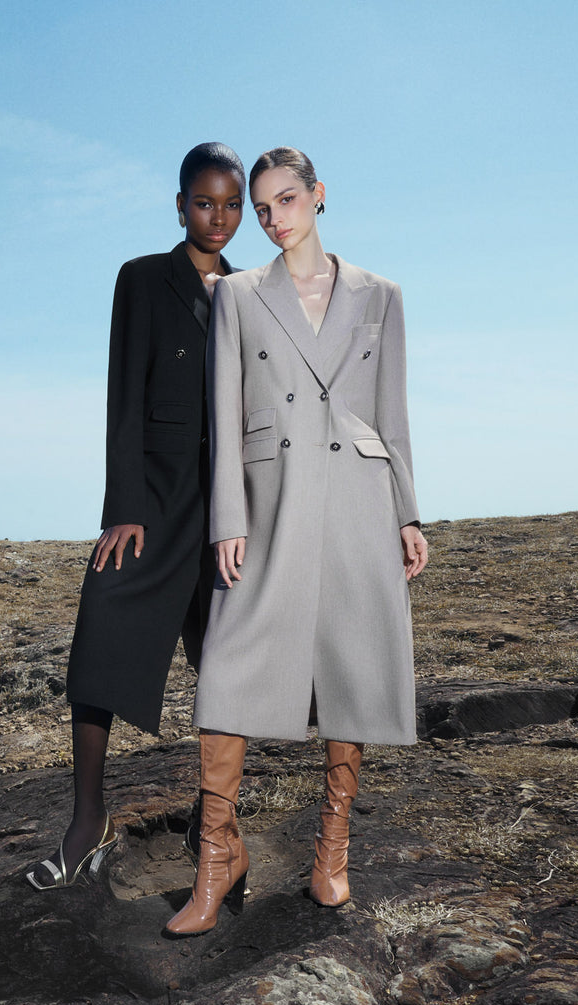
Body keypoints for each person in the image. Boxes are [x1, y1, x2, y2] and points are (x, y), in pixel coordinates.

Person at [166, 146, 429, 934]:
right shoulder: (238, 294)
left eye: (287, 199)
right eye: (262, 206)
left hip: (358, 494)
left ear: (318, 195)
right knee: (229, 665)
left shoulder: (381, 295)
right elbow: (224, 413)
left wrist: (408, 513)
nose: (274, 217)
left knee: (353, 660)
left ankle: (331, 852)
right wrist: (228, 519)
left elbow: (392, 412)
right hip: (270, 497)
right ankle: (216, 858)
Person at [28, 143, 247, 890]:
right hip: (155, 498)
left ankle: (216, 824)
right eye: (203, 203)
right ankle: (88, 820)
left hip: (228, 505)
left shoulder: (253, 291)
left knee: (227, 661)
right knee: (102, 625)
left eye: (231, 204)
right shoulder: (142, 277)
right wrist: (124, 506)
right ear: (180, 205)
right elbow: (124, 391)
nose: (217, 217)